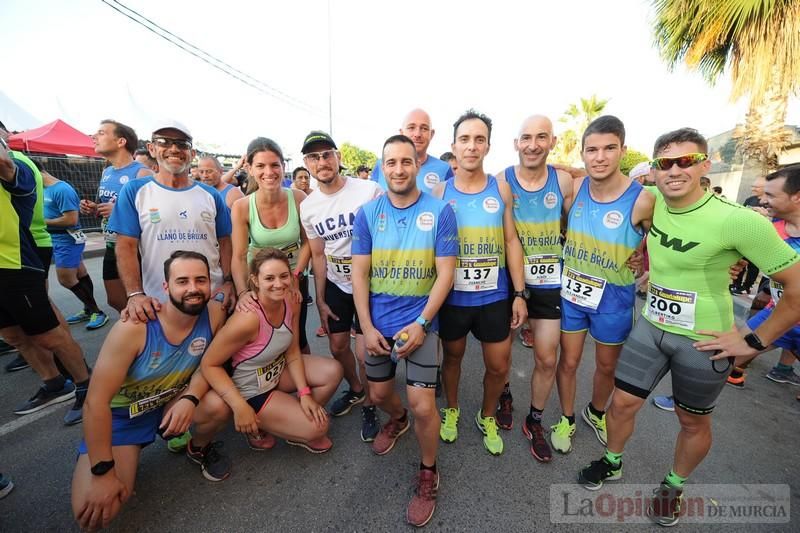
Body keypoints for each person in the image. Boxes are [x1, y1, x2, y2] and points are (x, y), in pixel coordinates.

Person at [578, 128, 800, 527]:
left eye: (687, 161)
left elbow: (797, 286)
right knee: (623, 403)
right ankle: (612, 461)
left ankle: (673, 485)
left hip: (704, 341)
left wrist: (753, 339)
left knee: (691, 421)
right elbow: (640, 232)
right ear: (655, 169)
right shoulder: (652, 201)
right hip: (651, 326)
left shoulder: (740, 221)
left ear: (705, 165)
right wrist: (640, 265)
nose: (675, 170)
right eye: (666, 163)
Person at [71, 251, 232, 532]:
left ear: (210, 284)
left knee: (218, 405)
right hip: (123, 417)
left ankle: (198, 448)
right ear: (166, 287)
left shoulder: (215, 313)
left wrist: (190, 398)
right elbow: (95, 403)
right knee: (95, 512)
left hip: (171, 401)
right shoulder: (134, 327)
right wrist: (102, 471)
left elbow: (210, 364)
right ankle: (112, 458)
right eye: (182, 281)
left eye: (200, 280)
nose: (193, 288)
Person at [352, 135, 458, 527]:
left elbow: (446, 272)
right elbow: (359, 273)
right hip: (377, 323)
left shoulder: (440, 210)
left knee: (424, 405)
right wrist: (364, 325)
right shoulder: (367, 214)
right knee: (379, 394)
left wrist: (423, 323)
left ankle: (428, 471)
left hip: (421, 324)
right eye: (391, 163)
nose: (398, 169)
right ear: (382, 167)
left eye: (406, 162)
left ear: (418, 165)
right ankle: (396, 421)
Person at [553, 116, 653, 456]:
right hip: (572, 292)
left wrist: (647, 264)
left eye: (609, 148)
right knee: (567, 362)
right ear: (582, 154)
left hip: (614, 296)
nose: (600, 157)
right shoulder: (576, 187)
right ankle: (566, 417)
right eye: (591, 149)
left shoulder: (643, 199)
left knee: (607, 366)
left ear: (622, 151)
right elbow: (540, 169)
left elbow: (669, 240)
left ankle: (595, 412)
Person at [432, 109, 527, 456]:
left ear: (488, 146)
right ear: (453, 145)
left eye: (479, 139)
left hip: (493, 296)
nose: (471, 146)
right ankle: (452, 410)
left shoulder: (500, 188)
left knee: (499, 365)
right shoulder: (440, 192)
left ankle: (487, 415)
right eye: (465, 139)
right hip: (454, 296)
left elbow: (512, 241)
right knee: (452, 359)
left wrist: (519, 293)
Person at [202, 248, 342, 453]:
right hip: (250, 387)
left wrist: (304, 394)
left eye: (284, 276)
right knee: (318, 427)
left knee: (333, 371)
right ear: (255, 280)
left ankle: (286, 419)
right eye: (269, 278)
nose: (279, 284)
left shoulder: (291, 300)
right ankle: (259, 421)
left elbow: (293, 351)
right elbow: (209, 364)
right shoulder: (247, 318)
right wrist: (239, 406)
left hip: (276, 371)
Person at [493, 115, 574, 461]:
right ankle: (505, 394)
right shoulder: (501, 181)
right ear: (516, 143)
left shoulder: (565, 181)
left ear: (553, 142)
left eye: (542, 137)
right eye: (526, 137)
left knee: (546, 357)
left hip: (549, 283)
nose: (533, 144)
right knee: (503, 355)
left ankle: (535, 420)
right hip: (509, 282)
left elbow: (583, 221)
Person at [298, 130, 383, 442]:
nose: (322, 161)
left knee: (365, 353)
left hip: (370, 283)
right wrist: (320, 299)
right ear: (306, 163)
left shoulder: (369, 190)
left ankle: (373, 404)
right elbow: (318, 254)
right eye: (314, 157)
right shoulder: (308, 207)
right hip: (336, 282)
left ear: (338, 157)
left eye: (327, 154)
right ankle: (357, 390)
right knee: (337, 347)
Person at [107, 120, 235, 324]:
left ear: (192, 154)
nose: (174, 149)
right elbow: (125, 247)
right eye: (164, 142)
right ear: (152, 148)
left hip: (212, 301)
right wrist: (135, 294)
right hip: (159, 303)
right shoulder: (134, 191)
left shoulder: (211, 195)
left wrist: (229, 283)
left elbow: (226, 242)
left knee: (218, 355)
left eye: (182, 144)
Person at [0, 140, 91, 423]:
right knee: (13, 336)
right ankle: (53, 382)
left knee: (48, 334)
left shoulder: (19, 162)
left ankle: (87, 386)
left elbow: (10, 171)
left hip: (14, 263)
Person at [231, 138, 311, 358]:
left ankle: (303, 387)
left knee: (297, 336)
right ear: (249, 168)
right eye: (260, 166)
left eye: (275, 165)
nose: (269, 172)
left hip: (293, 278)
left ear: (283, 167)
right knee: (264, 340)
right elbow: (238, 256)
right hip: (260, 282)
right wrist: (243, 293)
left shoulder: (298, 198)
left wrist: (296, 276)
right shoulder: (242, 207)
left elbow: (308, 243)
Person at [736, 165, 800, 389]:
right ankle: (685, 406)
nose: (762, 200)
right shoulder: (772, 227)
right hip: (777, 313)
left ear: (797, 197)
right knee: (724, 359)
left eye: (771, 195)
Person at [82, 120, 153, 313]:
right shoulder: (106, 171)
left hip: (136, 248)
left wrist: (120, 212)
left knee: (141, 298)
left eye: (102, 133)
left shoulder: (142, 172)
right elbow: (108, 205)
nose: (94, 137)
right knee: (114, 300)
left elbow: (156, 214)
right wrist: (95, 208)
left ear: (121, 141)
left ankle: (150, 334)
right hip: (111, 243)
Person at [42, 170, 108, 329]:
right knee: (80, 273)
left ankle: (97, 312)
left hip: (66, 238)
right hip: (55, 238)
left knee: (65, 278)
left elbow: (71, 219)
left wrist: (41, 222)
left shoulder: (61, 189)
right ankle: (88, 310)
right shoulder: (41, 188)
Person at [372, 109, 454, 194]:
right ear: (401, 132)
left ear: (431, 134)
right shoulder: (380, 166)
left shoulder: (445, 169)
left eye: (424, 128)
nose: (417, 134)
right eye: (411, 128)